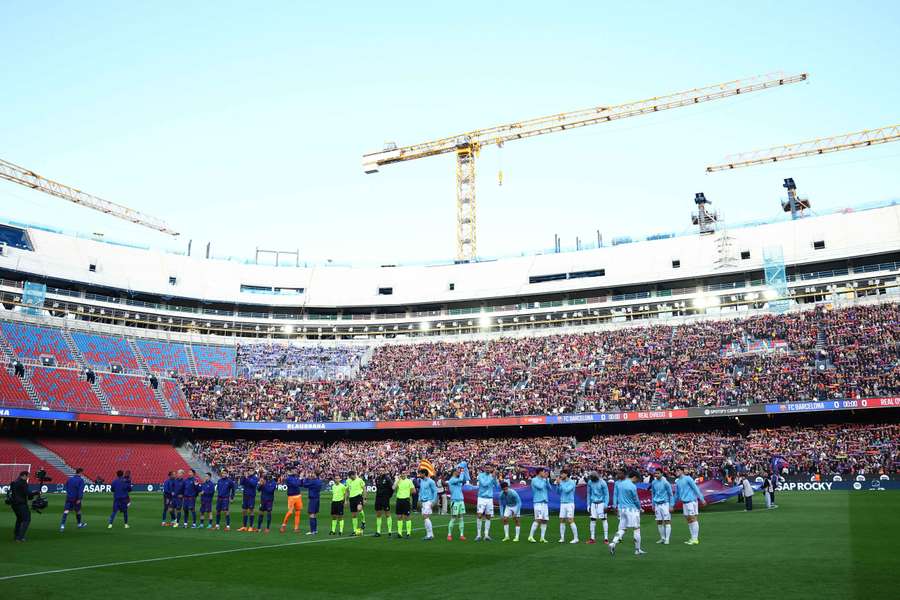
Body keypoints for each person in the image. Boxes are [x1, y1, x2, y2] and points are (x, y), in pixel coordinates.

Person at [609, 471, 644, 556]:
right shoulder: (632, 486)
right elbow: (636, 499)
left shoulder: (620, 484)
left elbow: (616, 495)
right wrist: (640, 508)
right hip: (631, 509)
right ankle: (637, 549)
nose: (637, 482)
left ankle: (613, 543)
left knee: (622, 529)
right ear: (635, 477)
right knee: (636, 528)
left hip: (622, 509)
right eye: (638, 480)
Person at [672, 466, 706, 545]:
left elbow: (695, 488)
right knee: (689, 520)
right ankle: (692, 538)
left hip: (691, 501)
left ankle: (695, 539)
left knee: (693, 519)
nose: (676, 472)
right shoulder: (677, 481)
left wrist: (702, 499)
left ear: (682, 471)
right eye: (675, 470)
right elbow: (676, 494)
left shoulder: (688, 478)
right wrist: (672, 504)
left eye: (678, 470)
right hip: (685, 502)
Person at [8, 471, 35, 542]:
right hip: (21, 504)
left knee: (19, 519)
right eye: (27, 476)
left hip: (14, 504)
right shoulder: (23, 482)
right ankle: (20, 537)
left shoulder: (14, 482)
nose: (27, 478)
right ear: (23, 476)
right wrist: (35, 493)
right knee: (27, 519)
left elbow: (10, 492)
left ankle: (16, 535)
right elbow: (28, 493)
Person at [554, 469, 578, 544]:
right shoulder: (562, 482)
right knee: (562, 520)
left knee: (570, 520)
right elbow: (558, 492)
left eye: (562, 474)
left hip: (570, 503)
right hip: (562, 503)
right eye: (561, 474)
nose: (561, 476)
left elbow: (567, 490)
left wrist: (560, 483)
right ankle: (562, 538)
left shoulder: (572, 482)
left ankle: (576, 538)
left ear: (566, 474)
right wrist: (557, 485)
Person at [60, 467, 87, 532]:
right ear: (80, 473)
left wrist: (69, 493)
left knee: (66, 511)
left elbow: (66, 486)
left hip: (69, 497)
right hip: (76, 498)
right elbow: (80, 490)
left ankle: (62, 525)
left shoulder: (70, 479)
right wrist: (79, 498)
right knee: (78, 511)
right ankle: (79, 524)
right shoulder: (80, 480)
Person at [528, 467, 551, 543]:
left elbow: (550, 488)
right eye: (543, 472)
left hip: (545, 502)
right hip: (538, 502)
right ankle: (531, 536)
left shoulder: (544, 480)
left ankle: (542, 538)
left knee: (545, 520)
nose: (544, 473)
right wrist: (544, 479)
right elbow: (540, 487)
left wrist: (547, 480)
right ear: (539, 472)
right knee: (538, 519)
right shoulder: (534, 480)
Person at [475, 465, 497, 541]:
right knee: (479, 515)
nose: (488, 469)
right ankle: (478, 535)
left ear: (491, 468)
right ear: (484, 468)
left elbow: (496, 485)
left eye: (489, 468)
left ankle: (486, 535)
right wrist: (492, 478)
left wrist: (495, 477)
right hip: (481, 498)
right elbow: (484, 484)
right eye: (486, 468)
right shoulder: (480, 475)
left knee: (488, 516)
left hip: (489, 499)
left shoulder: (492, 476)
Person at [650, 470, 673, 544]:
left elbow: (670, 494)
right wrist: (653, 504)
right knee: (659, 521)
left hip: (665, 504)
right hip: (657, 504)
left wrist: (671, 505)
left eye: (658, 473)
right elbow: (653, 493)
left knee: (667, 521)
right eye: (655, 473)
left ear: (662, 474)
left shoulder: (666, 483)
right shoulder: (653, 482)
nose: (656, 475)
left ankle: (667, 539)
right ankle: (662, 538)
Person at [586, 471, 609, 545]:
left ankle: (606, 538)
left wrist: (605, 505)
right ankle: (592, 538)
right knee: (592, 520)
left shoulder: (603, 482)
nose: (591, 479)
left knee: (604, 519)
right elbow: (589, 493)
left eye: (592, 478)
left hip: (601, 503)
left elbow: (606, 494)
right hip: (593, 503)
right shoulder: (590, 482)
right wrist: (588, 505)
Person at [446, 466, 466, 541]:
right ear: (454, 472)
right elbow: (461, 479)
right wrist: (463, 471)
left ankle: (461, 535)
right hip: (455, 501)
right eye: (458, 471)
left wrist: (465, 470)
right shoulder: (452, 480)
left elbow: (464, 479)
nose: (459, 472)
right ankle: (449, 535)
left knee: (461, 518)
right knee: (453, 518)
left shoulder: (457, 480)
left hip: (461, 500)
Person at [393, 472, 415, 539]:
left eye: (405, 473)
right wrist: (397, 480)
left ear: (406, 474)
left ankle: (408, 533)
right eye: (402, 473)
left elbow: (413, 490)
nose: (403, 474)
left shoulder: (409, 481)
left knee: (407, 516)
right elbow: (393, 488)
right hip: (399, 500)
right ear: (401, 474)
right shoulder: (398, 481)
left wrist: (407, 494)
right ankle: (399, 533)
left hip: (406, 500)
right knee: (399, 516)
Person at [417, 468, 437, 541]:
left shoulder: (431, 481)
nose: (419, 475)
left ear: (424, 474)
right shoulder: (421, 481)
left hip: (428, 501)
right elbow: (420, 491)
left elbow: (435, 491)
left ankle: (429, 535)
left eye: (420, 473)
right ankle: (430, 534)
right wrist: (419, 500)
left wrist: (433, 501)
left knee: (426, 517)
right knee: (425, 518)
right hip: (423, 501)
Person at [373, 471, 394, 538]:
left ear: (384, 471)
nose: (381, 471)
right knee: (378, 514)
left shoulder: (388, 478)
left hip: (385, 498)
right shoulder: (377, 479)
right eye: (380, 470)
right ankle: (378, 531)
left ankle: (390, 532)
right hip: (378, 498)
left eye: (382, 470)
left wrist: (388, 496)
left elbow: (392, 488)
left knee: (387, 514)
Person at [346, 471, 366, 536]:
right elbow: (347, 490)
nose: (351, 477)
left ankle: (363, 521)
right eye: (350, 477)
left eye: (352, 476)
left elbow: (364, 489)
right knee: (354, 515)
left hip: (358, 497)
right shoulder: (348, 481)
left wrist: (365, 498)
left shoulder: (360, 480)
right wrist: (346, 500)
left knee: (359, 509)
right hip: (351, 498)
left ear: (354, 475)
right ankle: (355, 530)